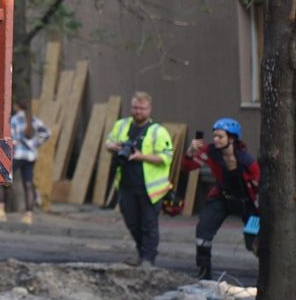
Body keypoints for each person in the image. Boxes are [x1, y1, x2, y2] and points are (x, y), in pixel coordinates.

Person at [182, 118, 260, 279]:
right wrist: (190, 151)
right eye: (215, 136)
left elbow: (259, 182)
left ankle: (268, 272)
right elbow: (188, 167)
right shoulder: (210, 151)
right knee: (203, 230)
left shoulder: (246, 159)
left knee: (253, 242)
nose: (215, 139)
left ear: (231, 138)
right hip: (222, 198)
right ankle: (204, 271)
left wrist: (261, 210)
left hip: (248, 203)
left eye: (220, 136)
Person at [104, 92, 173, 268]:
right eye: (135, 107)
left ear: (149, 109)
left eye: (141, 108)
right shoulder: (122, 125)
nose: (137, 112)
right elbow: (108, 143)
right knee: (132, 222)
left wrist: (141, 156)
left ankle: (148, 259)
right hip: (126, 184)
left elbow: (166, 158)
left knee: (148, 224)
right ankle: (141, 254)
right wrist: (117, 146)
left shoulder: (158, 131)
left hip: (149, 187)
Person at [0, 97, 50, 224]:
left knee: (0, 178)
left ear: (16, 106)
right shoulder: (34, 120)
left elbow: (12, 140)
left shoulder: (14, 120)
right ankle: (28, 216)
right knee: (28, 184)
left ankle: (0, 211)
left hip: (17, 156)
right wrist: (34, 144)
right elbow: (47, 133)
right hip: (31, 157)